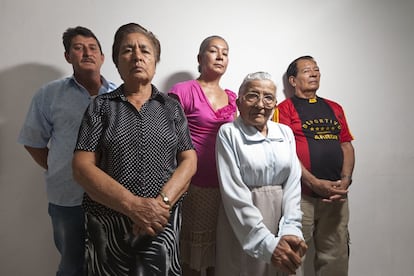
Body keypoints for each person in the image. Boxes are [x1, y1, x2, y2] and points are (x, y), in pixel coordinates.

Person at [72, 22, 197, 276]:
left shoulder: (171, 108)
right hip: (109, 225)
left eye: (145, 50)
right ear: (117, 63)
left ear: (155, 61)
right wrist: (133, 206)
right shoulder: (100, 107)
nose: (137, 56)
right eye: (128, 50)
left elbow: (189, 159)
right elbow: (82, 167)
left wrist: (160, 205)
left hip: (161, 224)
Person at [17, 26, 117, 276]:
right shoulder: (49, 94)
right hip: (67, 197)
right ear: (67, 56)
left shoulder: (119, 96)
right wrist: (60, 166)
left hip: (111, 196)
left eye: (93, 48)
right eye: (78, 48)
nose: (87, 53)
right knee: (72, 265)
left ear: (103, 57)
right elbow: (33, 141)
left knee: (110, 263)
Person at [215, 72, 307, 276]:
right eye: (252, 96)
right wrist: (266, 243)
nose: (260, 104)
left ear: (275, 103)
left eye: (268, 97)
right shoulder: (229, 133)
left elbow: (293, 186)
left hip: (281, 218)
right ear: (239, 102)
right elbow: (234, 194)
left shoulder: (285, 133)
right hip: (243, 221)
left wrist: (291, 229)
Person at [273, 56, 355, 275]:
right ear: (292, 80)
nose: (314, 74)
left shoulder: (335, 107)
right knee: (290, 255)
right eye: (307, 70)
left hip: (337, 197)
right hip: (301, 196)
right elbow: (285, 152)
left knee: (335, 256)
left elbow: (346, 145)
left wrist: (345, 181)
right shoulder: (284, 109)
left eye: (317, 70)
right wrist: (313, 182)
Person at [168, 35, 237, 276]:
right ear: (200, 58)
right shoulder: (183, 91)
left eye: (225, 52)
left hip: (226, 186)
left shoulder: (234, 97)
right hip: (193, 186)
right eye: (213, 51)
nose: (220, 56)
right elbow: (167, 138)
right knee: (192, 258)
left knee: (219, 256)